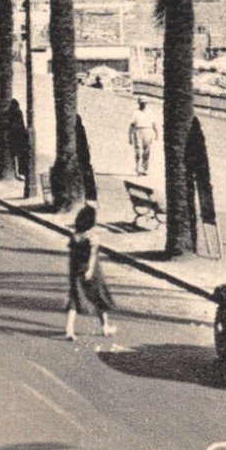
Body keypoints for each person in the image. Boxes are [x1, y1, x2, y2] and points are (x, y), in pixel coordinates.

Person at [64, 206, 116, 340]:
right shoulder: (93, 238)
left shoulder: (74, 236)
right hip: (91, 270)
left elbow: (72, 253)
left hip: (75, 269)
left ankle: (69, 328)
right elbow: (92, 256)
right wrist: (90, 271)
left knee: (75, 298)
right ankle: (105, 326)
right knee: (99, 296)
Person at [127, 99, 159, 177]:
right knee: (138, 150)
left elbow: (154, 124)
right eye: (141, 103)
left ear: (147, 103)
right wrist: (130, 137)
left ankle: (145, 169)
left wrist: (156, 134)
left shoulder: (151, 113)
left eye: (145, 103)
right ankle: (137, 167)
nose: (143, 104)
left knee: (147, 151)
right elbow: (131, 125)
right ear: (139, 103)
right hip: (138, 130)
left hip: (148, 130)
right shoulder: (135, 113)